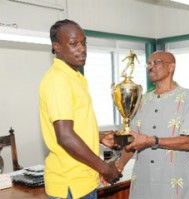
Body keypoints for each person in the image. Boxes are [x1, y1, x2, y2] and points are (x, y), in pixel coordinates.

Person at [39, 19, 121, 199]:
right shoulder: (58, 79)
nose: (82, 48)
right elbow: (65, 137)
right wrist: (105, 168)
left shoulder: (75, 77)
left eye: (83, 43)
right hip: (71, 184)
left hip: (84, 180)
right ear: (57, 47)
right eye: (73, 44)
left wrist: (99, 137)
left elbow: (74, 128)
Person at [116, 51, 189, 199]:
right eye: (148, 64)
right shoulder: (141, 100)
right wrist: (118, 166)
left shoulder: (188, 97)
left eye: (156, 62)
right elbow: (132, 141)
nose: (151, 67)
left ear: (171, 67)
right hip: (144, 182)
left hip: (174, 184)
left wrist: (152, 141)